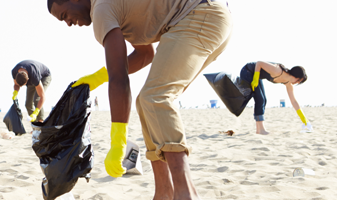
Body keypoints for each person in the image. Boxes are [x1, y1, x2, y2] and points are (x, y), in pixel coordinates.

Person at [46, 0, 232, 199]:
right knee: (145, 103)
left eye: (64, 15)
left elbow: (119, 78)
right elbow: (145, 54)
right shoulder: (111, 7)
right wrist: (97, 78)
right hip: (210, 17)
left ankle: (186, 193)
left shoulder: (100, 9)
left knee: (156, 97)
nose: (68, 23)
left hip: (199, 14)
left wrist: (118, 143)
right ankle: (163, 192)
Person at [240, 61, 310, 135]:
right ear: (294, 76)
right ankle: (261, 130)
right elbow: (259, 63)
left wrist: (304, 120)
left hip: (256, 74)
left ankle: (259, 130)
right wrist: (255, 78)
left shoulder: (288, 83)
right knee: (260, 99)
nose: (298, 83)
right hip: (247, 71)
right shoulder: (277, 70)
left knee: (264, 100)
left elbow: (294, 101)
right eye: (299, 80)